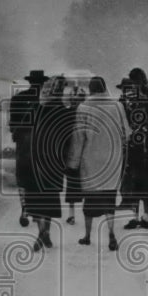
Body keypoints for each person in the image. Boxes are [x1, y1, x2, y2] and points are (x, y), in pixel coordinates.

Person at [68, 75, 130, 252]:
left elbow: (78, 138)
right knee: (109, 199)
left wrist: (73, 163)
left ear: (91, 90)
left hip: (91, 161)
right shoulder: (117, 106)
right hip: (113, 159)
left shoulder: (84, 107)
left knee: (90, 202)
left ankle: (87, 236)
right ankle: (111, 233)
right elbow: (127, 133)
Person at [25, 75, 71, 250]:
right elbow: (67, 138)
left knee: (37, 198)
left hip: (36, 159)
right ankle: (45, 233)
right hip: (54, 160)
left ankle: (41, 232)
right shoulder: (63, 111)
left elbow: (25, 134)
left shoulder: (35, 108)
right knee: (50, 198)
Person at [119, 68, 148, 230]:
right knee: (132, 182)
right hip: (133, 144)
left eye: (136, 81)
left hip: (147, 145)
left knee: (146, 182)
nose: (135, 84)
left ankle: (146, 216)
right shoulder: (129, 100)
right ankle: (135, 217)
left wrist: (146, 132)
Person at [9, 70, 48, 227]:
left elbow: (12, 124)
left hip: (24, 144)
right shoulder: (47, 101)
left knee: (23, 178)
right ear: (43, 83)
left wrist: (18, 133)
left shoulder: (17, 98)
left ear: (30, 82)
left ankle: (25, 207)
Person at [63, 83, 87, 224]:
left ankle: (79, 214)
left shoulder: (86, 112)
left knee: (82, 184)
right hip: (73, 151)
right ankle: (72, 214)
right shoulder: (69, 113)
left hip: (82, 151)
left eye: (80, 99)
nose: (77, 101)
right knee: (73, 184)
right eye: (75, 99)